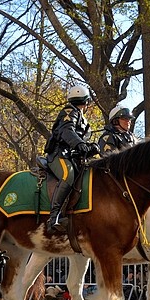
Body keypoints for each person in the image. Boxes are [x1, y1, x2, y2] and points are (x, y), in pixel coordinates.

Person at [42, 84, 100, 234]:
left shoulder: (82, 118)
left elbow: (78, 139)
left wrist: (91, 147)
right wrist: (80, 144)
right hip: (59, 155)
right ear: (86, 102)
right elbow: (67, 131)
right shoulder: (69, 111)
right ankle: (54, 217)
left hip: (72, 157)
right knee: (68, 175)